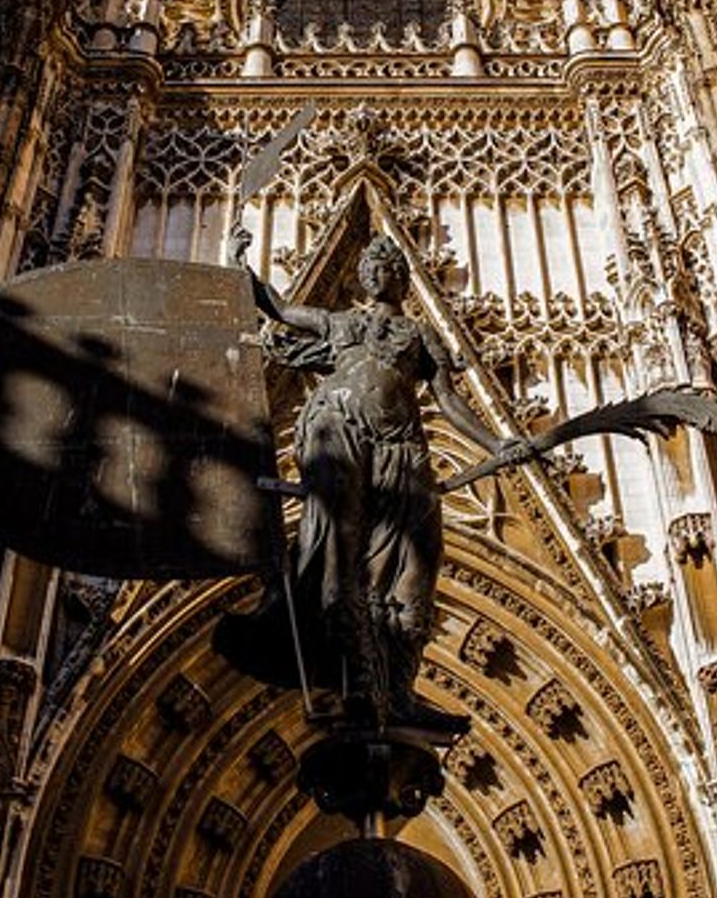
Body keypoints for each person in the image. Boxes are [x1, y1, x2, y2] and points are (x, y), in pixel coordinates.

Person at [226, 229, 527, 728]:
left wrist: (496, 444)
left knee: (419, 559)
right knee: (336, 555)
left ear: (402, 279)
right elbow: (278, 308)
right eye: (370, 267)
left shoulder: (419, 335)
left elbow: (449, 399)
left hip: (400, 451)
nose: (376, 273)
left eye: (386, 267)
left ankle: (398, 689)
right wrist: (241, 266)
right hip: (338, 430)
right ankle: (360, 681)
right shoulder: (341, 322)